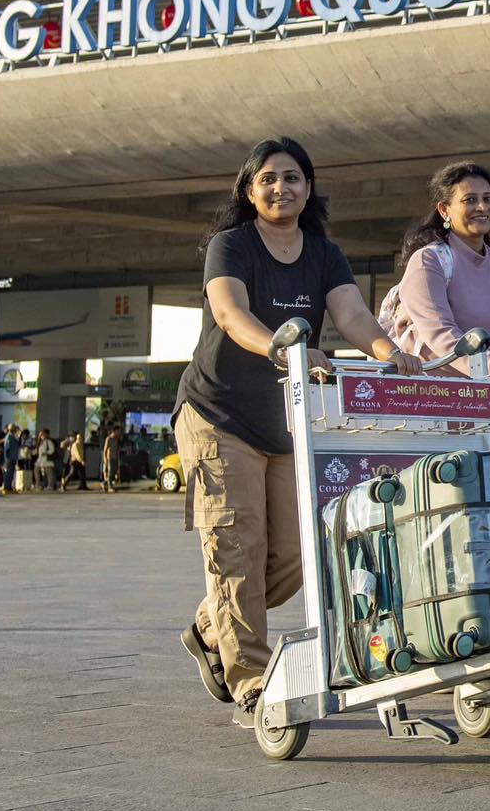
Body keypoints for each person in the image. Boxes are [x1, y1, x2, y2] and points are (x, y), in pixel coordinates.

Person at [174, 137, 420, 727]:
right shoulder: (230, 246)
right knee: (238, 545)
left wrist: (390, 352)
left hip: (286, 421)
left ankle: (212, 625)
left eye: (292, 178)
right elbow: (231, 314)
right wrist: (287, 349)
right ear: (249, 189)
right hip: (218, 413)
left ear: (309, 188)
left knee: (297, 553)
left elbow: (353, 316)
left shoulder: (324, 254)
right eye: (267, 179)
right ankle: (254, 683)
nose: (280, 188)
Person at [381, 161, 490, 448]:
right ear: (444, 211)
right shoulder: (428, 261)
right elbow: (441, 337)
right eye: (469, 200)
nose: (482, 207)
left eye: (487, 199)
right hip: (430, 408)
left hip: (489, 407)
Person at [1, 424, 26, 494]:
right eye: (15, 429)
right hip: (10, 458)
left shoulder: (12, 437)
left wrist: (20, 435)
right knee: (9, 473)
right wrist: (7, 459)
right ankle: (6, 487)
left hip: (13, 458)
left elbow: (19, 444)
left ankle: (9, 487)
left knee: (11, 473)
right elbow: (7, 449)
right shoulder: (9, 437)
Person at [32, 427, 58, 492]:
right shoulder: (40, 442)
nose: (41, 436)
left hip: (47, 460)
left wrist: (46, 453)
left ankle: (50, 486)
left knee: (49, 473)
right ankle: (38, 484)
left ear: (46, 434)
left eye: (43, 434)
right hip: (40, 460)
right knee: (36, 470)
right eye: (40, 434)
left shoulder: (48, 441)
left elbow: (52, 450)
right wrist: (32, 452)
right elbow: (37, 450)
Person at [101, 425, 122, 494]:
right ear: (114, 431)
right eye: (118, 431)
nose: (119, 432)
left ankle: (104, 483)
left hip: (115, 457)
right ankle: (110, 487)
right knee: (110, 473)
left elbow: (117, 449)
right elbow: (105, 449)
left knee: (114, 472)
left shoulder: (117, 439)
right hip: (109, 457)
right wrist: (105, 459)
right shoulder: (109, 439)